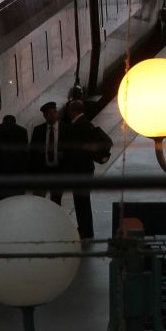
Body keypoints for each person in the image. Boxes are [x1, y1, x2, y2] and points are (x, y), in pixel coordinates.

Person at [62, 100, 99, 239]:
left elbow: (75, 151)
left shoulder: (78, 126)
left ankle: (85, 230)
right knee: (83, 202)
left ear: (72, 111)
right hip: (86, 169)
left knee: (81, 203)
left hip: (79, 171)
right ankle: (85, 229)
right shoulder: (86, 123)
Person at [30, 101, 66, 206]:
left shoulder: (65, 129)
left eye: (55, 112)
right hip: (42, 172)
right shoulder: (38, 130)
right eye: (50, 113)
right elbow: (33, 153)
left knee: (56, 201)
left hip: (58, 172)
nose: (53, 115)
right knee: (38, 201)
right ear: (45, 115)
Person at [0, 114, 29, 187]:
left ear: (3, 121)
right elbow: (25, 152)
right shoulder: (23, 131)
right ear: (15, 121)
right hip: (18, 169)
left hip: (0, 169)